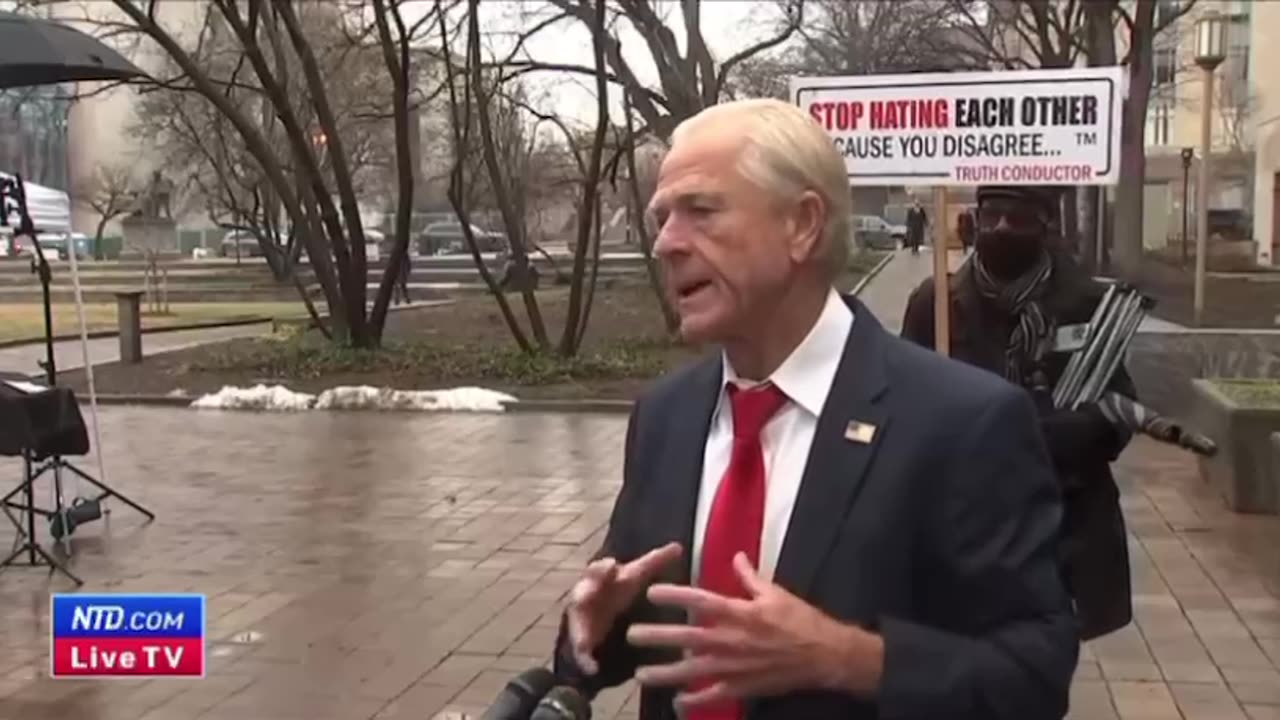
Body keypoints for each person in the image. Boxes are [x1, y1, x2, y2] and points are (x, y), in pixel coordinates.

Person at [552, 99, 1077, 720]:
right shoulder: (665, 417)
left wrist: (851, 659)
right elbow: (644, 636)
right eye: (662, 218)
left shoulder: (964, 423)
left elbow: (1033, 679)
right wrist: (594, 629)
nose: (666, 242)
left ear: (802, 225)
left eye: (700, 210)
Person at [900, 185, 1135, 643]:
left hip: (1061, 524)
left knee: (1039, 664)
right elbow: (901, 405)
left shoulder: (1088, 304)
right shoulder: (937, 302)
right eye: (993, 216)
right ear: (976, 219)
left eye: (1020, 217)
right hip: (963, 524)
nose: (1004, 227)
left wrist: (1053, 434)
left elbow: (1119, 408)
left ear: (1046, 224)